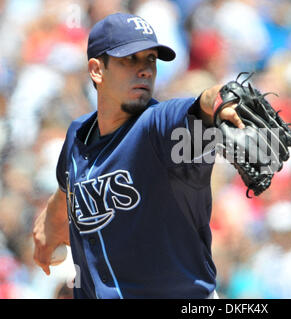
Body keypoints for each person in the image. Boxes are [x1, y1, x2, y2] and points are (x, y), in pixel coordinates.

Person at [32, 12, 245, 299]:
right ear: (97, 70)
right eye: (129, 59)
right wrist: (50, 219)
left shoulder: (159, 127)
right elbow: (66, 191)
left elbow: (200, 105)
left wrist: (220, 101)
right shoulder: (78, 136)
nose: (144, 69)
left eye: (150, 60)